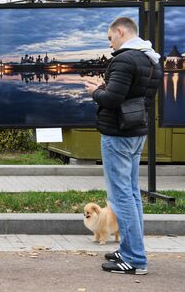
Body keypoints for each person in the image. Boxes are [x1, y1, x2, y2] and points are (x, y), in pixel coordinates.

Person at [85, 17, 162, 275]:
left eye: (110, 38)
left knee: (120, 197)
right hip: (137, 132)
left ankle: (135, 259)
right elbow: (134, 95)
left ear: (120, 31)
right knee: (131, 194)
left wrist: (95, 90)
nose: (110, 44)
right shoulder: (151, 59)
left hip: (117, 134)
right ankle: (129, 249)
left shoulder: (124, 59)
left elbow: (112, 98)